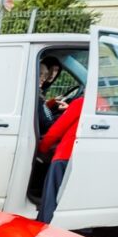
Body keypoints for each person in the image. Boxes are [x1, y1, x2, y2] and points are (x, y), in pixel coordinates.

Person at [36, 95, 83, 224]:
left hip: (65, 155)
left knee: (52, 197)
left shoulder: (81, 102)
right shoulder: (106, 105)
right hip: (83, 157)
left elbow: (57, 130)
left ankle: (46, 227)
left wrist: (42, 148)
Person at [37, 56, 66, 136]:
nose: (53, 74)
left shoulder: (39, 91)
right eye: (51, 69)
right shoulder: (36, 95)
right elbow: (45, 123)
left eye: (56, 70)